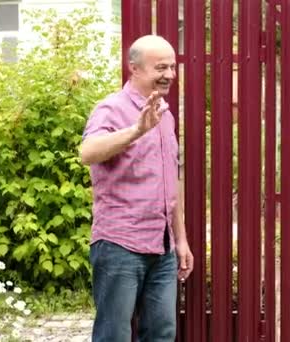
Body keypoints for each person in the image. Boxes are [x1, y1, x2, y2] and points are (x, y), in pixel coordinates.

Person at [80, 34, 194, 341]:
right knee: (113, 335)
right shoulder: (111, 109)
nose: (169, 74)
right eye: (160, 67)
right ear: (135, 69)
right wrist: (136, 130)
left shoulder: (165, 115)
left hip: (163, 247)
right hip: (120, 244)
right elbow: (87, 153)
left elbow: (172, 182)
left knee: (161, 334)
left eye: (172, 67)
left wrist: (180, 240)